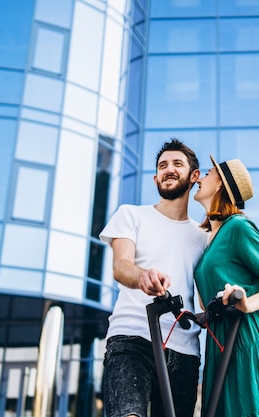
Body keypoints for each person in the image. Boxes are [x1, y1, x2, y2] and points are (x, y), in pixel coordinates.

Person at [99, 139, 208, 417]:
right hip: (132, 337)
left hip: (185, 350)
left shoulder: (203, 237)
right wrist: (142, 277)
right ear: (155, 177)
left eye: (177, 164)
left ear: (194, 176)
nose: (168, 169)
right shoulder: (132, 215)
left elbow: (204, 293)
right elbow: (121, 265)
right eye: (162, 166)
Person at [193, 155, 259, 417]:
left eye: (207, 173)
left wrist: (247, 302)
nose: (200, 178)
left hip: (248, 342)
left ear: (220, 185)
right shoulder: (207, 240)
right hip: (219, 345)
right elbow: (207, 302)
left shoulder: (238, 227)